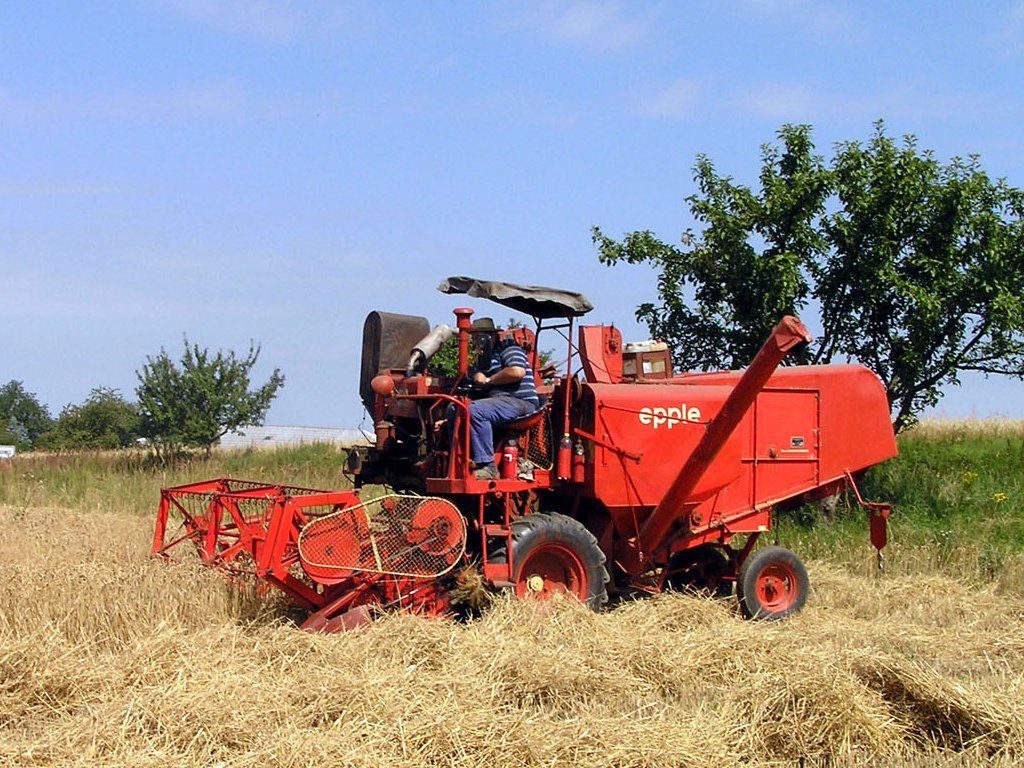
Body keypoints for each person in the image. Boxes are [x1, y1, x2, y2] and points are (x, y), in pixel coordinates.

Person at [464, 320, 539, 480]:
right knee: (454, 408)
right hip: (499, 402)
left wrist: (489, 380)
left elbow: (517, 372)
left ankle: (487, 466)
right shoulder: (482, 359)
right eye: (473, 338)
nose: (475, 342)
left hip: (520, 401)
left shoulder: (508, 347)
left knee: (475, 410)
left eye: (478, 338)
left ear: (490, 337)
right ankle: (461, 461)